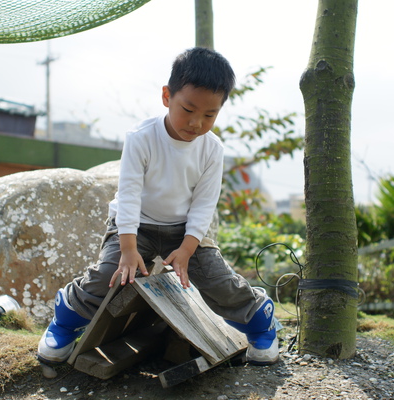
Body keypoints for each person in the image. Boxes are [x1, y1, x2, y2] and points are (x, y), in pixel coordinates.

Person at [37, 47, 279, 366]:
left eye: (209, 115)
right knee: (111, 275)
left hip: (185, 233)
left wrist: (189, 249)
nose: (196, 122)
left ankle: (259, 319)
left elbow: (204, 206)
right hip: (135, 228)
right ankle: (66, 318)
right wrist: (127, 249)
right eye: (188, 109)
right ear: (167, 96)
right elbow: (129, 196)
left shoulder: (212, 150)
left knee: (216, 279)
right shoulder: (141, 138)